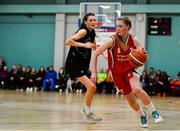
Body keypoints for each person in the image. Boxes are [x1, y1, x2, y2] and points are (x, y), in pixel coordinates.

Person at [91, 17, 163, 128]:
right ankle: (142, 115)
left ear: (127, 27)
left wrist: (143, 54)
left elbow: (142, 53)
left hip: (129, 70)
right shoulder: (112, 40)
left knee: (137, 89)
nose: (117, 28)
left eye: (120, 26)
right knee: (132, 101)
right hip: (116, 74)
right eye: (117, 26)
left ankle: (154, 112)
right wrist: (94, 73)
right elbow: (95, 54)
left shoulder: (134, 40)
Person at [65, 12, 102, 122]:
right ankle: (87, 111)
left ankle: (86, 109)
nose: (93, 22)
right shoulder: (83, 31)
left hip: (83, 64)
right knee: (92, 87)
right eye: (91, 20)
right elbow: (67, 42)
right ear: (85, 22)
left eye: (94, 20)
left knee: (93, 86)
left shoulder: (92, 32)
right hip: (74, 64)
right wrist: (84, 45)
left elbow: (95, 46)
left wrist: (104, 53)